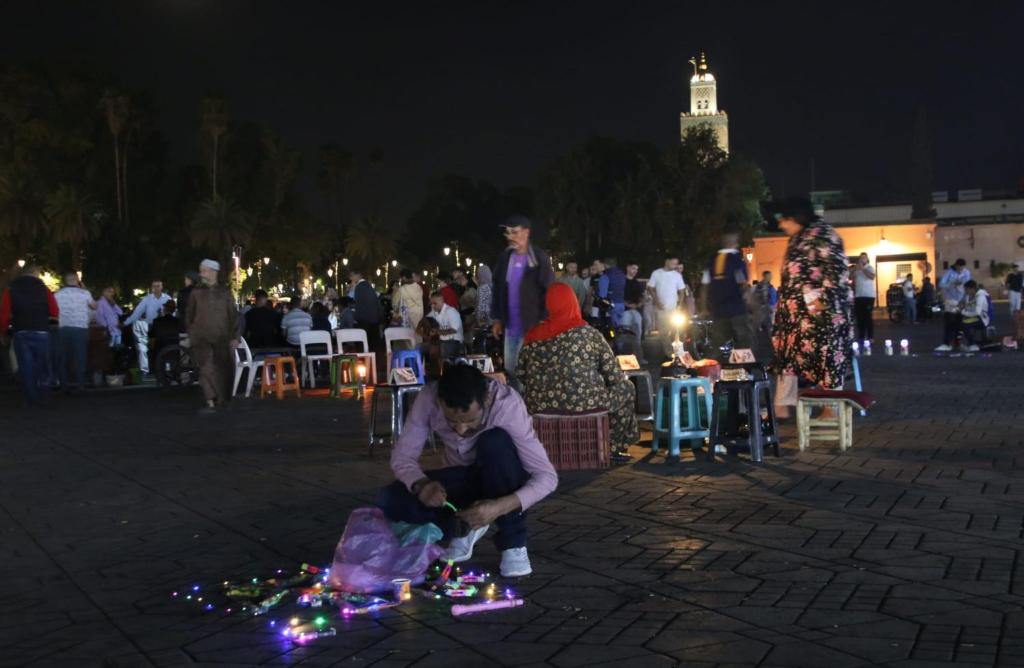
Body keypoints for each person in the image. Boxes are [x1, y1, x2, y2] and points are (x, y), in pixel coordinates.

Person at [378, 364, 558, 578]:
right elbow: (402, 457)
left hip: (500, 477)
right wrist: (421, 484)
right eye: (451, 421)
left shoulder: (507, 404)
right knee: (390, 498)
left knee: (495, 442)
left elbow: (547, 477)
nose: (461, 430)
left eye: (470, 420)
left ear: (487, 401)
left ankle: (513, 542)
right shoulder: (429, 397)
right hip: (460, 476)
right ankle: (464, 523)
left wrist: (499, 507)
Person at [516, 283, 639, 459]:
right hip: (585, 403)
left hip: (540, 405)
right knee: (626, 388)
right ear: (573, 302)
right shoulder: (589, 334)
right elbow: (614, 375)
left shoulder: (533, 335)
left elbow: (520, 373)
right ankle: (612, 447)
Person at [769, 197, 854, 418]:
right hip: (795, 315)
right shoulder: (797, 238)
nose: (780, 225)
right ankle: (782, 406)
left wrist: (821, 302)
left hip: (821, 315)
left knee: (826, 356)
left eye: (783, 219)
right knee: (787, 358)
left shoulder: (825, 235)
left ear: (795, 217)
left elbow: (836, 272)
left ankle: (830, 407)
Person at [491, 215, 555, 376]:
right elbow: (498, 289)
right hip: (510, 327)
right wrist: (497, 318)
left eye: (514, 232)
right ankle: (515, 401)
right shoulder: (505, 258)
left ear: (526, 232)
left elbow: (549, 291)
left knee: (531, 372)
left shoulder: (539, 258)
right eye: (507, 233)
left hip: (533, 327)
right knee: (511, 371)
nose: (510, 237)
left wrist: (544, 322)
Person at [0, 265, 59, 405]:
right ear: (35, 274)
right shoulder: (44, 289)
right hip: (41, 330)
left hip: (21, 330)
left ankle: (31, 397)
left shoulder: (10, 290)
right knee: (43, 364)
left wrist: (2, 332)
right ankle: (45, 396)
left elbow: (4, 313)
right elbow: (55, 311)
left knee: (26, 365)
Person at [186, 259, 239, 414]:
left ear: (213, 272)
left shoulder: (225, 292)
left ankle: (222, 399)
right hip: (201, 338)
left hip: (222, 337)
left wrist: (235, 336)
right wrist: (192, 333)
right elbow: (189, 315)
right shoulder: (196, 292)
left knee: (224, 369)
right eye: (201, 270)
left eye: (204, 270)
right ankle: (210, 401)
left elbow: (233, 316)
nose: (201, 273)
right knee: (206, 368)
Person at [700, 232, 754, 352]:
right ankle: (742, 367)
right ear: (733, 243)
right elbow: (743, 284)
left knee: (717, 343)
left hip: (718, 310)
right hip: (737, 309)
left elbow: (704, 287)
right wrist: (751, 303)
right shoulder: (737, 261)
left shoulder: (711, 261)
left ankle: (711, 367)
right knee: (743, 341)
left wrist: (703, 308)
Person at [53, 272, 96, 392]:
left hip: (64, 328)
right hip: (80, 327)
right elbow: (94, 306)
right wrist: (85, 289)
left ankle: (64, 385)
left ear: (65, 281)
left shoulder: (58, 294)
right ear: (77, 280)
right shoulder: (84, 293)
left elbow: (53, 310)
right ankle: (80, 384)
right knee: (80, 356)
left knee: (64, 357)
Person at [124, 280, 171, 375]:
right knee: (148, 349)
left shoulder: (167, 299)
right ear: (152, 287)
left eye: (158, 286)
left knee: (165, 349)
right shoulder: (147, 299)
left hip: (164, 328)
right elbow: (137, 313)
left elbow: (173, 312)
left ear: (162, 287)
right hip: (150, 327)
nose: (156, 288)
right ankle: (150, 370)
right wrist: (126, 323)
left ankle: (166, 370)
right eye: (154, 286)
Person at [647, 255, 687, 359]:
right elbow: (650, 288)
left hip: (674, 310)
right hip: (661, 310)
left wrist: (679, 305)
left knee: (677, 332)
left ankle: (679, 354)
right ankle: (670, 355)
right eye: (673, 263)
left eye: (676, 264)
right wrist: (656, 301)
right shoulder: (656, 273)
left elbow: (682, 291)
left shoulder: (677, 275)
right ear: (666, 261)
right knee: (663, 333)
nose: (674, 266)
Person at [935, 259, 971, 352]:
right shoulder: (949, 273)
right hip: (951, 300)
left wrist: (966, 300)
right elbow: (941, 284)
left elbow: (968, 286)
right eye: (959, 268)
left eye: (962, 268)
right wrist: (951, 284)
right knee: (949, 321)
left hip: (961, 300)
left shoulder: (966, 273)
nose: (960, 270)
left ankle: (957, 343)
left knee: (959, 323)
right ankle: (946, 343)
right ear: (956, 265)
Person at [351, 270, 383, 362]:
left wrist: (356, 318)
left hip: (364, 321)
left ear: (358, 275)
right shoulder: (368, 286)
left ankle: (364, 365)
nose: (351, 279)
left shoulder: (360, 287)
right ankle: (374, 366)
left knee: (363, 346)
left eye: (352, 276)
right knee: (373, 346)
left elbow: (358, 305)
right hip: (374, 320)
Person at [428, 291, 464, 359]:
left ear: (442, 302)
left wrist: (437, 332)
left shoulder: (450, 311)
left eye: (435, 303)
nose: (432, 306)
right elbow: (426, 319)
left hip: (454, 341)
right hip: (443, 341)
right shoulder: (434, 311)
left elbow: (453, 330)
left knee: (445, 357)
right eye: (431, 303)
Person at [957, 280, 991, 351]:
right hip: (973, 316)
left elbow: (977, 312)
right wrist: (962, 307)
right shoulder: (968, 296)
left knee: (964, 324)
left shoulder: (980, 297)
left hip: (982, 318)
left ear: (972, 289)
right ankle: (959, 343)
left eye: (966, 290)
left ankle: (972, 344)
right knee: (957, 321)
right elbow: (968, 307)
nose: (965, 292)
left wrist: (963, 312)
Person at [851, 252, 876, 342]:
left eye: (864, 258)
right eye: (861, 258)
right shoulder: (856, 269)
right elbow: (850, 278)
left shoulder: (870, 267)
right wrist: (853, 270)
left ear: (867, 259)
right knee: (859, 317)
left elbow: (872, 277)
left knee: (868, 316)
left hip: (869, 296)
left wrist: (863, 269)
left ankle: (870, 336)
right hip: (858, 296)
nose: (862, 259)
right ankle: (861, 336)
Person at [622, 263, 645, 343]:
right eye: (633, 268)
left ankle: (637, 348)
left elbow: (641, 296)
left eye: (636, 269)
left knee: (638, 331)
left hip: (636, 310)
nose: (635, 271)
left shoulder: (636, 283)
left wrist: (639, 303)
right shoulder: (622, 281)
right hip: (624, 311)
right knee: (625, 331)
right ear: (628, 268)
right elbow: (618, 296)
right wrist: (627, 304)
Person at [474, 265, 493, 331]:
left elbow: (481, 305)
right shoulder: (492, 285)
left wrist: (480, 321)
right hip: (493, 319)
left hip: (485, 321)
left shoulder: (483, 287)